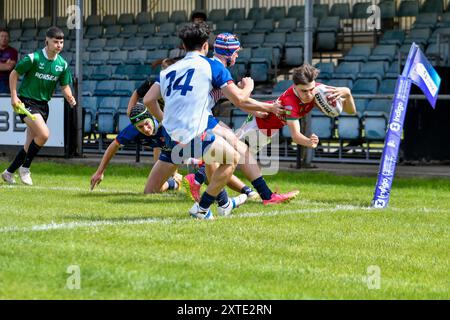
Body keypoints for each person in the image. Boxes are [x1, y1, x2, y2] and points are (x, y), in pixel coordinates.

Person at [143, 23, 282, 219]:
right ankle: (203, 207)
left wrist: (165, 120)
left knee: (151, 191)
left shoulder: (169, 70)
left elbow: (148, 99)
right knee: (233, 157)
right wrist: (251, 89)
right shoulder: (211, 66)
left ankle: (224, 200)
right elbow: (239, 99)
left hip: (170, 134)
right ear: (206, 46)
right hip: (193, 131)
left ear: (183, 45)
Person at [183, 32, 299, 206]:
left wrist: (259, 109)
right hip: (199, 118)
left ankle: (198, 181)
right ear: (228, 53)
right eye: (236, 52)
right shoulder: (218, 69)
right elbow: (240, 99)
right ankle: (266, 197)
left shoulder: (209, 65)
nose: (237, 55)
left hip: (195, 117)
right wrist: (259, 97)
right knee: (240, 151)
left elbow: (238, 100)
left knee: (225, 151)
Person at [1, 26, 76, 186]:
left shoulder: (62, 64)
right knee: (44, 134)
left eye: (61, 42)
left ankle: (8, 172)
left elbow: (64, 86)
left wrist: (69, 96)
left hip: (43, 105)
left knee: (29, 144)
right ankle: (25, 168)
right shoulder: (33, 58)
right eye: (55, 42)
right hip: (26, 102)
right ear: (46, 41)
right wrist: (14, 96)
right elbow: (14, 74)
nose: (59, 45)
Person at [236, 63, 356, 154]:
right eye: (304, 91)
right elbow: (295, 135)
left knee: (239, 160)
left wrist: (348, 94)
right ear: (295, 86)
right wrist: (309, 142)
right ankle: (236, 92)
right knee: (233, 156)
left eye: (311, 89)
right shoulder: (290, 104)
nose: (309, 94)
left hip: (270, 129)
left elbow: (351, 111)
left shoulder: (319, 90)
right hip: (258, 126)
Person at [90, 103, 182, 193]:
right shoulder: (132, 130)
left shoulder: (166, 125)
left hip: (181, 147)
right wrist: (99, 172)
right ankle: (174, 183)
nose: (145, 129)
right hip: (167, 152)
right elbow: (113, 146)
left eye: (147, 123)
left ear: (151, 117)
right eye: (140, 127)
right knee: (150, 191)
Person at [0, 29, 18, 94]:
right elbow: (6, 66)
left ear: (9, 38)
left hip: (5, 82)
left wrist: (6, 65)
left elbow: (9, 67)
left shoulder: (13, 51)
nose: (4, 38)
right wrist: (4, 64)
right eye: (2, 36)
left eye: (6, 36)